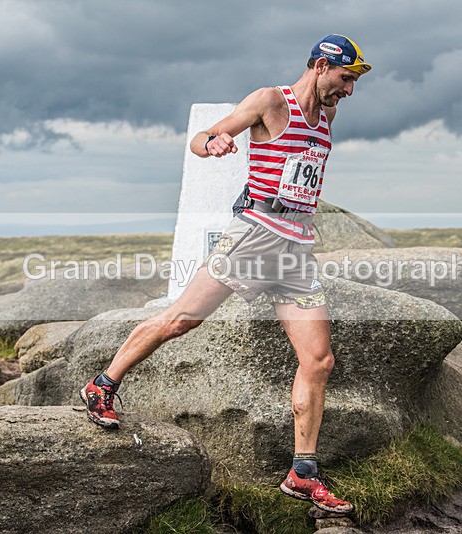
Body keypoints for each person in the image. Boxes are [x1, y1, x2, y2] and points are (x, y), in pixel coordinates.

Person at [80, 35, 371, 514]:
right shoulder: (270, 101)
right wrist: (212, 141)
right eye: (345, 78)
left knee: (319, 361)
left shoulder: (328, 115)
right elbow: (200, 140)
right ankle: (103, 385)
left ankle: (302, 473)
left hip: (296, 247)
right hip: (254, 234)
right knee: (181, 320)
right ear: (321, 65)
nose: (349, 91)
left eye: (354, 82)